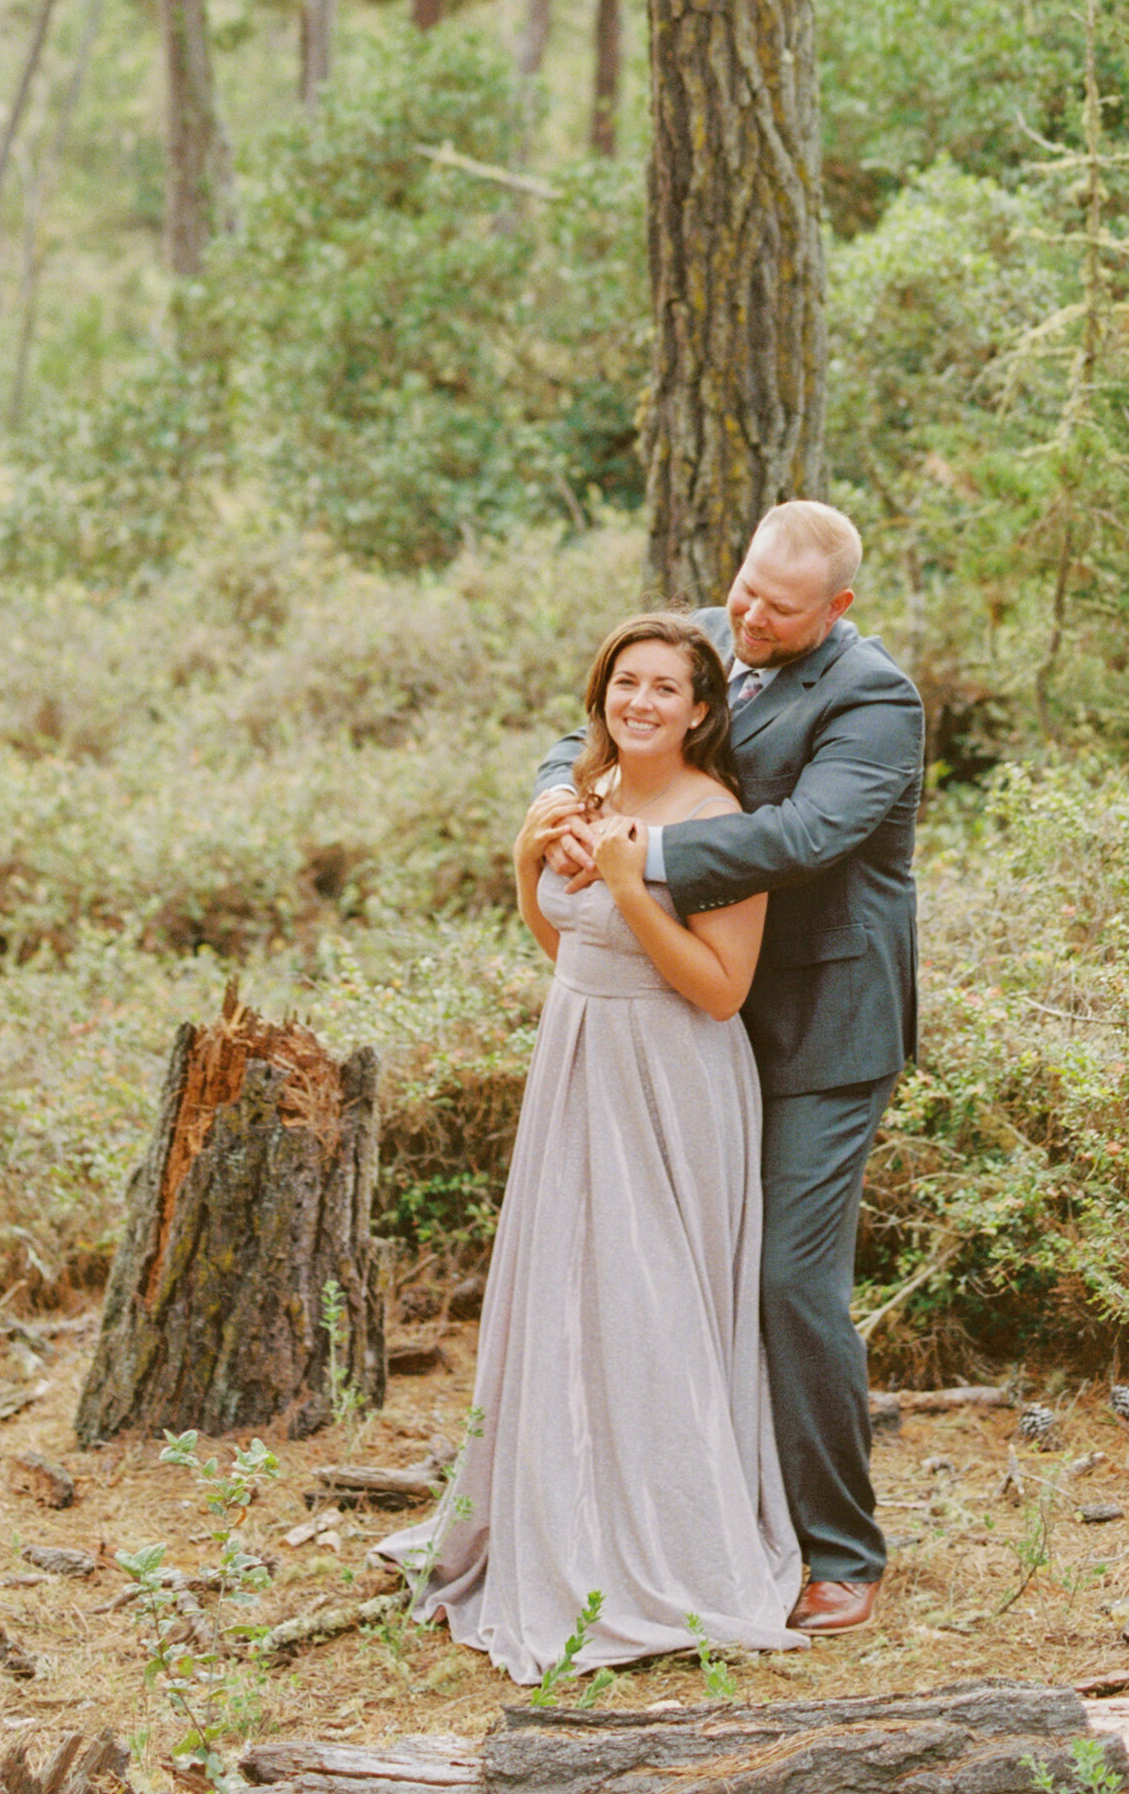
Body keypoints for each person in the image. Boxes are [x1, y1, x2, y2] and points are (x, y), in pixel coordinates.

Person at [526, 500, 924, 1639]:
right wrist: (560, 799)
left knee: (789, 1282)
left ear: (837, 610)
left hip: (820, 1030)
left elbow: (802, 837)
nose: (745, 615)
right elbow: (597, 727)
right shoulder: (710, 640)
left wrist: (635, 851)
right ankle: (689, 1516)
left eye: (777, 608)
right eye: (743, 587)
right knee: (675, 1267)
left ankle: (842, 1552)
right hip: (692, 1019)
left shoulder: (874, 701)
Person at [382, 611, 804, 1682]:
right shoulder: (586, 789)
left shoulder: (720, 824)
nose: (642, 703)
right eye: (627, 683)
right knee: (567, 1295)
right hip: (574, 1059)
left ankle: (665, 1547)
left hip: (670, 1078)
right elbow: (558, 941)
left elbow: (720, 993)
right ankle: (555, 1516)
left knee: (649, 1301)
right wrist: (529, 863)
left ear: (702, 710)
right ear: (601, 693)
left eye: (667, 688)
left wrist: (628, 885)